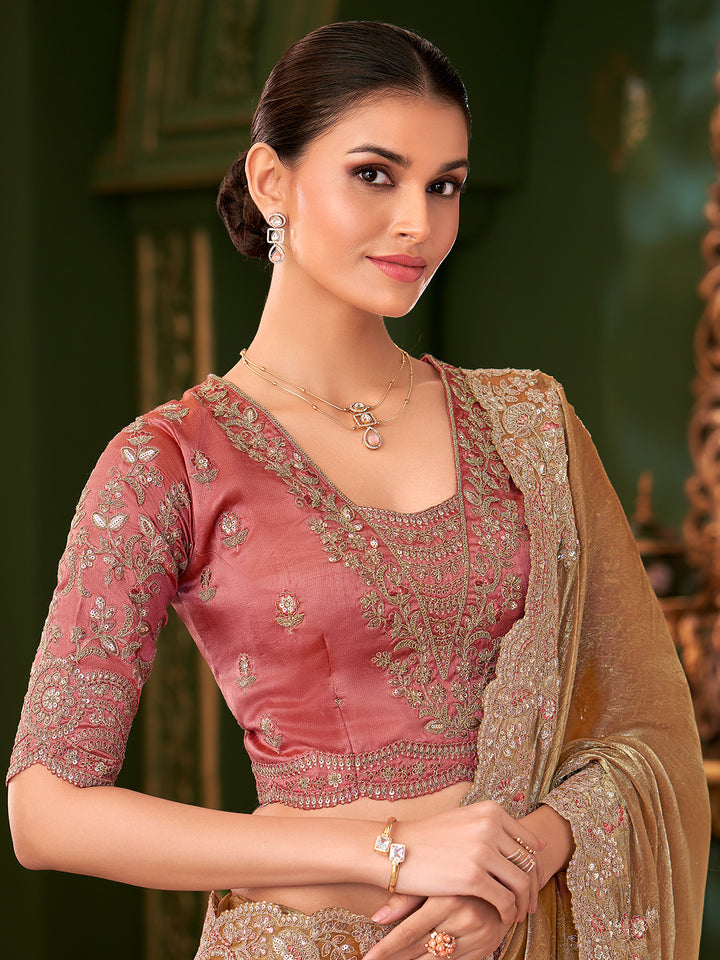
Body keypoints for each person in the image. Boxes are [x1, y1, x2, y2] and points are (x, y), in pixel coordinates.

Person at [6, 20, 710, 960]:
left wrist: (520, 860)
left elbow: (647, 737)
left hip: (520, 930)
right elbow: (46, 810)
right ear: (271, 181)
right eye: (375, 174)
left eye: (445, 185)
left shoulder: (528, 429)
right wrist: (393, 851)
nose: (419, 221)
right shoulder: (166, 463)